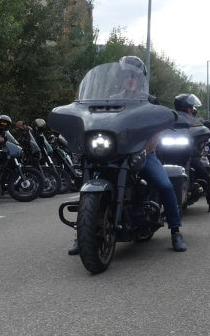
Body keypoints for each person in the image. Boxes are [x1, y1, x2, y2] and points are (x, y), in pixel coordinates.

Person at [69, 56, 186, 255]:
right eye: (126, 75)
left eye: (134, 76)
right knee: (88, 178)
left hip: (143, 153)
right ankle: (82, 233)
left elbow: (157, 130)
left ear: (141, 79)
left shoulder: (150, 102)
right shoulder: (112, 99)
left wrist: (147, 149)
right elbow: (98, 120)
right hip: (114, 152)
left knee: (165, 186)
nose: (130, 79)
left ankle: (175, 231)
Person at [173, 93, 210, 212]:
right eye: (191, 107)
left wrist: (209, 133)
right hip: (170, 153)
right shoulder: (171, 117)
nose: (193, 109)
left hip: (189, 154)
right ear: (187, 107)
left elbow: (203, 129)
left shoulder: (194, 121)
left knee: (205, 177)